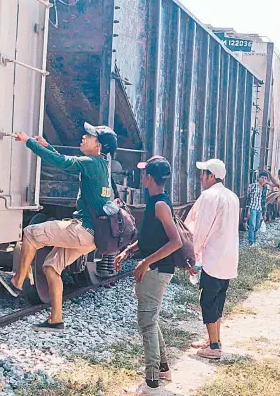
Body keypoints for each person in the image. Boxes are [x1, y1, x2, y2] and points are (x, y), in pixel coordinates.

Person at [0, 122, 118, 332]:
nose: (84, 137)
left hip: (82, 231)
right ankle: (56, 319)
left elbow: (61, 162)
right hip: (92, 238)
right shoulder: (101, 165)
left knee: (31, 233)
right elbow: (66, 161)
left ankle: (16, 281)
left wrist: (29, 142)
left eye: (90, 136)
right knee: (51, 268)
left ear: (99, 146)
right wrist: (47, 145)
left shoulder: (91, 163)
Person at [114, 156, 182, 395]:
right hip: (154, 268)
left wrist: (145, 262)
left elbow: (176, 242)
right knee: (150, 319)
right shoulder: (155, 202)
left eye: (144, 174)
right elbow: (149, 239)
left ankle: (152, 381)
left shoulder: (160, 205)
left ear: (149, 178)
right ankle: (162, 369)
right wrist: (128, 252)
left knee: (146, 322)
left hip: (158, 270)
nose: (142, 177)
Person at [184, 159, 239, 360]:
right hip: (228, 258)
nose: (201, 177)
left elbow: (201, 230)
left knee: (207, 301)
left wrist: (192, 256)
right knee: (218, 301)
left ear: (212, 176)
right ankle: (213, 339)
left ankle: (214, 347)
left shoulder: (209, 196)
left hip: (213, 258)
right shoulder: (232, 196)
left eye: (204, 173)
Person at [246, 171, 269, 245]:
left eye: (265, 178)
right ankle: (251, 242)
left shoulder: (265, 188)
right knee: (252, 225)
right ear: (259, 178)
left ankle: (254, 240)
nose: (264, 179)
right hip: (253, 207)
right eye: (262, 178)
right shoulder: (254, 186)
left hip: (260, 209)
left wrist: (264, 213)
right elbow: (248, 197)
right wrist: (248, 210)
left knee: (257, 226)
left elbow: (264, 201)